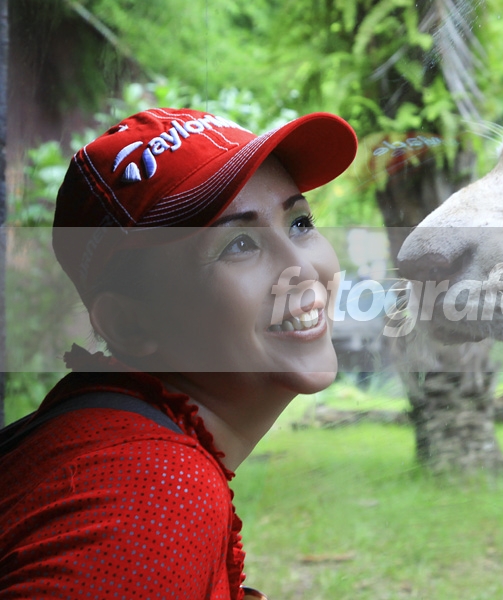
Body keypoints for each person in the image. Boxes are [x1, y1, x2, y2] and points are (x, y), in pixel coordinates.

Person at [0, 107, 358, 599]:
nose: (304, 269)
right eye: (238, 244)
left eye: (299, 222)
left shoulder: (110, 441)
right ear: (130, 324)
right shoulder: (155, 488)